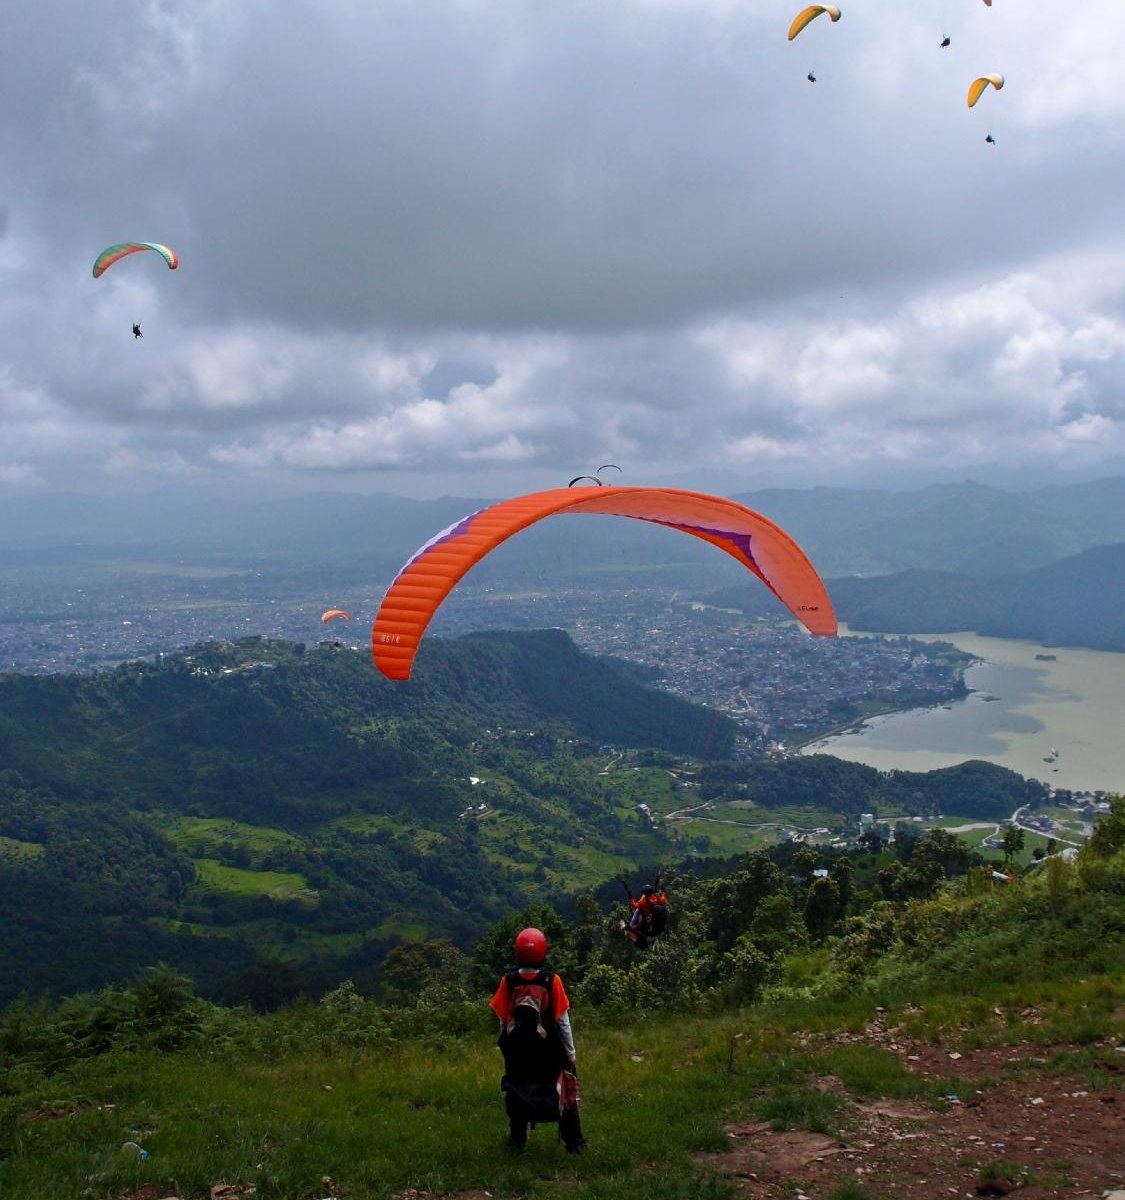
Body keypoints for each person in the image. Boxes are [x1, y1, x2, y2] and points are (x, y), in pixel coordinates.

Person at [490, 927, 585, 1153]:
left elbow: (503, 1020)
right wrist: (570, 1054)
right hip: (549, 1052)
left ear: (517, 953)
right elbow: (563, 1022)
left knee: (517, 1088)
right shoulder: (551, 981)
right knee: (565, 1091)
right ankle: (575, 1143)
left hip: (518, 1053)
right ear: (543, 953)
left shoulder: (509, 981)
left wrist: (507, 1046)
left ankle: (517, 1141)